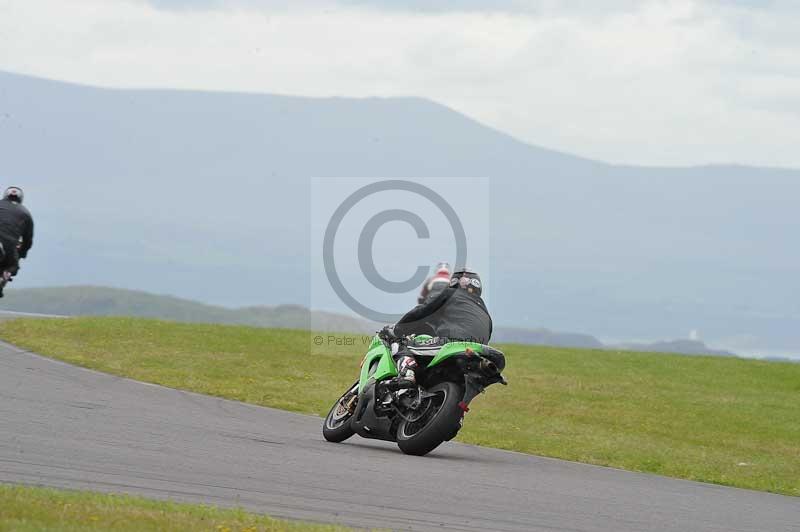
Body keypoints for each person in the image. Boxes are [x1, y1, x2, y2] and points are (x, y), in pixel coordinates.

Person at [382, 268, 492, 387]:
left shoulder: (451, 294)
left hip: (453, 343)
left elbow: (422, 311)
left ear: (454, 282)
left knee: (398, 342)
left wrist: (397, 329)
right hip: (477, 354)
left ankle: (407, 373)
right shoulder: (485, 312)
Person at [0, 186, 34, 297]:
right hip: (9, 246)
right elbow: (28, 240)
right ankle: (3, 278)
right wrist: (21, 254)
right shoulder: (26, 213)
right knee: (12, 266)